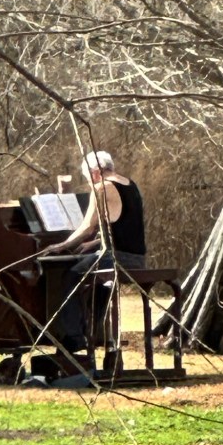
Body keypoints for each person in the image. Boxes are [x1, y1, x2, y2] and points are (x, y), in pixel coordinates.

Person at [43, 150, 146, 353]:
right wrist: (93, 244)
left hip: (117, 258)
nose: (89, 183)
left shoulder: (101, 188)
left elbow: (87, 227)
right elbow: (123, 226)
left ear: (96, 172)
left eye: (88, 177)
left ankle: (74, 337)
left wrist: (61, 246)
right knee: (97, 284)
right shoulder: (130, 184)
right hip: (137, 258)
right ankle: (95, 332)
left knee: (71, 275)